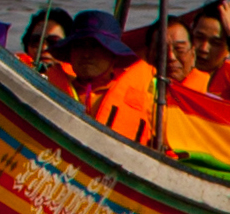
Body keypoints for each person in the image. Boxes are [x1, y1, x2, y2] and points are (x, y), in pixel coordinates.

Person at [50, 10, 160, 143]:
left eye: (95, 46)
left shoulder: (149, 99)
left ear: (113, 55)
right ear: (70, 53)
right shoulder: (48, 87)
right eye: (79, 46)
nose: (86, 54)